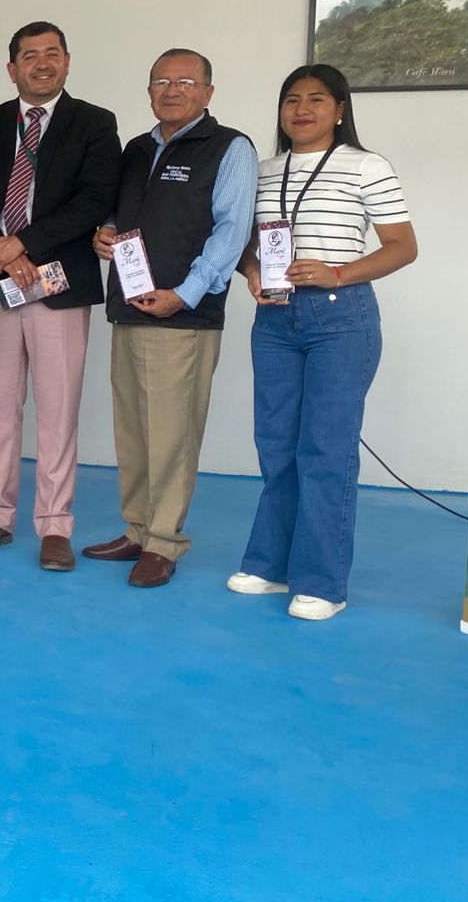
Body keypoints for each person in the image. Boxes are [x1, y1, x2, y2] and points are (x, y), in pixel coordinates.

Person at [229, 64, 416, 620]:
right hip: (275, 319)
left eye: (316, 99)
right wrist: (252, 271)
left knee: (326, 450)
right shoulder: (263, 171)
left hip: (341, 316)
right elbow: (241, 243)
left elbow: (402, 246)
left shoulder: (366, 166)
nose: (302, 109)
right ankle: (269, 565)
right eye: (291, 99)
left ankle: (323, 582)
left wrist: (339, 272)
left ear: (340, 109)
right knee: (276, 445)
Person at [86, 48, 256, 587]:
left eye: (185, 81)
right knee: (133, 431)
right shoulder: (137, 149)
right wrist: (105, 230)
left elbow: (232, 231)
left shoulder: (230, 147)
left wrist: (185, 293)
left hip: (183, 315)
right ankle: (136, 529)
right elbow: (122, 210)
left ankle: (164, 542)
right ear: (149, 91)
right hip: (129, 307)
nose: (172, 90)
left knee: (172, 435)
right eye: (161, 81)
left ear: (208, 92)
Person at [0, 22, 121, 570]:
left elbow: (95, 199)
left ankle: (55, 525)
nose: (42, 63)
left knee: (57, 411)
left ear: (67, 62)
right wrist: (2, 251)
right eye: (30, 55)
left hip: (59, 287)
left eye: (52, 53)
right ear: (12, 69)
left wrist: (25, 243)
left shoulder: (95, 123)